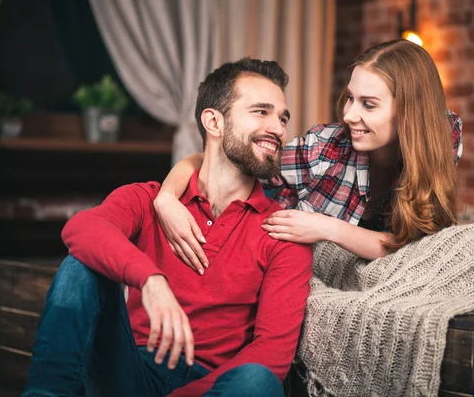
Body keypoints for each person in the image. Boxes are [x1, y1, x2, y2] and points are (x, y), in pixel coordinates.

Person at [22, 58, 313, 397]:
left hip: (214, 387)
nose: (278, 128)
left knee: (258, 381)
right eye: (261, 112)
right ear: (213, 122)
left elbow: (272, 354)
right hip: (130, 371)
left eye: (282, 117)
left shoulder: (284, 231)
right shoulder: (149, 199)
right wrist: (150, 280)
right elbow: (81, 229)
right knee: (82, 264)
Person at [153, 39, 463, 275]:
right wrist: (166, 198)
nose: (349, 115)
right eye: (351, 98)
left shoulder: (443, 136)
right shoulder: (325, 147)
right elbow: (210, 155)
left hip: (318, 224)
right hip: (278, 219)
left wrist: (326, 228)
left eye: (368, 105)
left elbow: (415, 245)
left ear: (410, 112)